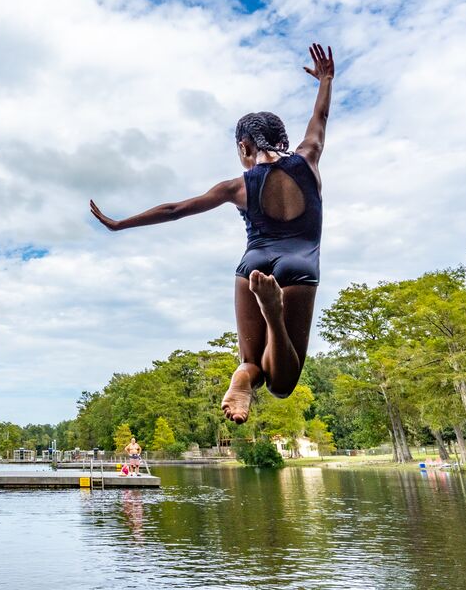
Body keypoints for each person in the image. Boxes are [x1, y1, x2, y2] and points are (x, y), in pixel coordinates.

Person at [90, 44, 335, 424]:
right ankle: (274, 312)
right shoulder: (309, 157)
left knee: (252, 364)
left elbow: (174, 211)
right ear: (283, 141)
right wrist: (325, 80)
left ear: (244, 147)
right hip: (299, 265)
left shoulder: (237, 186)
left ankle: (242, 375)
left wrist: (120, 224)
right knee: (282, 385)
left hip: (251, 267)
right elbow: (319, 117)